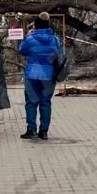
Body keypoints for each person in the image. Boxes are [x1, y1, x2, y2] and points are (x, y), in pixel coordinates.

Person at [18, 12, 63, 140]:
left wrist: (26, 36)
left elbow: (21, 50)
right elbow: (60, 55)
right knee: (46, 102)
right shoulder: (55, 39)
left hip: (32, 74)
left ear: (36, 26)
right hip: (49, 75)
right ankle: (44, 131)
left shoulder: (30, 39)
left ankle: (31, 129)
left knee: (31, 102)